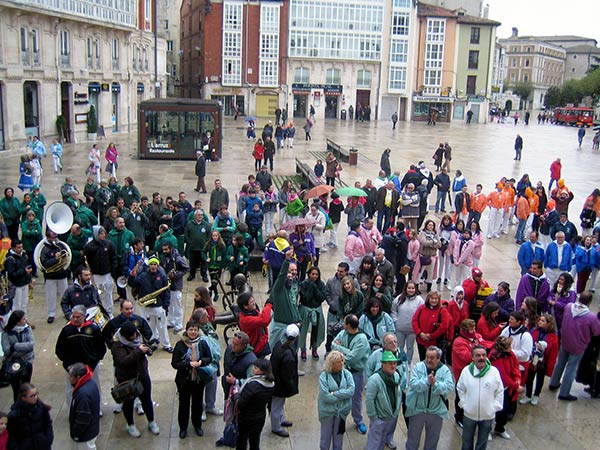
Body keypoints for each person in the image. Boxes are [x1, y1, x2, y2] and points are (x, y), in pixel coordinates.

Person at [111, 320, 160, 437]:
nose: (135, 337)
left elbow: (145, 345)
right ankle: (130, 425)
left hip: (142, 375)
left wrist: (148, 349)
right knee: (128, 403)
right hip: (127, 379)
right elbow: (122, 361)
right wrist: (138, 351)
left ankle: (151, 422)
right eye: (132, 336)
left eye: (135, 334)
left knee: (146, 400)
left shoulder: (138, 335)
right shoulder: (117, 344)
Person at [549, 291, 600, 400]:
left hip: (565, 340)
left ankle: (553, 382)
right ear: (589, 302)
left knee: (560, 363)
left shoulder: (568, 307)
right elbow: (597, 331)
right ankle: (564, 393)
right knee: (571, 368)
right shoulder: (591, 317)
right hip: (579, 345)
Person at [55, 304, 106, 408]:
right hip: (72, 366)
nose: (75, 319)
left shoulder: (93, 329)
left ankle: (96, 407)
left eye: (78, 317)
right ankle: (72, 409)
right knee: (70, 389)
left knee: (94, 386)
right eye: (73, 316)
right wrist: (67, 364)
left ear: (84, 316)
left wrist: (95, 361)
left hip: (90, 366)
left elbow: (101, 347)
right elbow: (60, 349)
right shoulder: (67, 330)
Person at [405, 346, 455, 450]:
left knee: (432, 440)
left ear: (438, 358)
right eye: (427, 357)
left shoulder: (445, 370)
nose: (428, 360)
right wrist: (427, 382)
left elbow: (449, 387)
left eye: (432, 358)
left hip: (436, 411)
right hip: (417, 410)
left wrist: (435, 384)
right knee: (412, 439)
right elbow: (414, 384)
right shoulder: (418, 367)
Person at [171, 320, 213, 438]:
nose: (193, 332)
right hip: (184, 380)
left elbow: (209, 358)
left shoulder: (202, 343)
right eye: (191, 329)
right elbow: (175, 363)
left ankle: (197, 425)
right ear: (187, 330)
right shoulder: (180, 345)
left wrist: (201, 362)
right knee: (183, 404)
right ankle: (183, 428)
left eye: (195, 330)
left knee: (197, 404)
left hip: (198, 380)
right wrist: (189, 364)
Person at [456, 346, 504, 450]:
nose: (481, 357)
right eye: (478, 355)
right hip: (469, 415)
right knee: (466, 442)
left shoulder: (494, 371)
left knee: (482, 443)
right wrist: (464, 405)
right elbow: (460, 388)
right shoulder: (466, 371)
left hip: (487, 416)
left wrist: (494, 408)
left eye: (483, 355)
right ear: (472, 358)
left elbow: (499, 391)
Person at [332, 314, 370, 434]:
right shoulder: (343, 333)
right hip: (342, 371)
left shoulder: (362, 339)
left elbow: (352, 358)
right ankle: (338, 419)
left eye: (344, 323)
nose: (343, 325)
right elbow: (333, 345)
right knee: (339, 396)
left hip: (356, 373)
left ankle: (358, 420)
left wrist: (340, 348)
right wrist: (340, 348)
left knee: (356, 398)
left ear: (348, 325)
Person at [128, 256, 173, 353]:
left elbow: (166, 292)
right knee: (149, 326)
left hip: (159, 305)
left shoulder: (162, 276)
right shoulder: (143, 276)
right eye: (151, 264)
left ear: (157, 265)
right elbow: (133, 284)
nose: (153, 266)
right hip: (147, 306)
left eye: (155, 264)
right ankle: (152, 342)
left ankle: (166, 344)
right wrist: (132, 276)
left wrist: (166, 305)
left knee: (162, 326)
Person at [365, 351, 403, 450]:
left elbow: (398, 395)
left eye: (394, 363)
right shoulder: (374, 380)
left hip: (391, 417)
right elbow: (369, 400)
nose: (393, 366)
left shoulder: (396, 376)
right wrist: (374, 417)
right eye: (390, 363)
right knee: (374, 443)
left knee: (382, 442)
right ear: (383, 364)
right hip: (379, 418)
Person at [317, 351, 355, 450]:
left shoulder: (347, 374)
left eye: (342, 361)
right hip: (327, 412)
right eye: (338, 362)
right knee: (325, 438)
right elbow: (325, 396)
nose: (341, 363)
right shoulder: (324, 376)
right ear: (332, 363)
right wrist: (343, 394)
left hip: (342, 412)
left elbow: (351, 391)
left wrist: (335, 393)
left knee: (339, 437)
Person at [488, 336, 523, 440]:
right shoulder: (495, 357)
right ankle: (487, 430)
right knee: (491, 410)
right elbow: (502, 376)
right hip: (494, 388)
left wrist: (517, 378)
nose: (511, 348)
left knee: (504, 409)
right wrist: (516, 386)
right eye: (509, 346)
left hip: (505, 388)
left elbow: (515, 366)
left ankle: (500, 428)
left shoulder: (510, 354)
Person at [236, 358, 275, 450]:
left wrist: (236, 394)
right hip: (260, 417)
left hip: (246, 418)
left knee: (242, 441)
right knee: (255, 440)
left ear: (262, 371)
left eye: (256, 368)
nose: (253, 369)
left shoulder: (252, 385)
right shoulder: (271, 383)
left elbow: (241, 403)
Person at [520, 314, 559, 406]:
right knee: (529, 378)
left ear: (549, 324)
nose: (540, 322)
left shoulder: (554, 338)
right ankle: (528, 395)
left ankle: (536, 395)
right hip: (532, 360)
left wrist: (549, 368)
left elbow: (553, 355)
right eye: (540, 320)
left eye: (543, 321)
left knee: (540, 379)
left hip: (542, 362)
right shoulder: (534, 331)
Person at [270, 323, 300, 438]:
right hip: (280, 385)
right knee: (276, 405)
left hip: (276, 381)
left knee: (280, 404)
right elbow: (287, 375)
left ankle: (281, 419)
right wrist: (291, 386)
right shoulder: (288, 355)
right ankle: (276, 427)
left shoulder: (279, 344)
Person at [7, 383, 53, 450]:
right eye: (32, 396)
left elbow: (48, 423)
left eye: (36, 394)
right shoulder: (15, 415)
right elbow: (12, 436)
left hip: (42, 445)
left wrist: (48, 439)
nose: (35, 397)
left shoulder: (42, 407)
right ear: (23, 398)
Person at [83, 226, 117, 317]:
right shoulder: (89, 246)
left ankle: (109, 311)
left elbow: (113, 257)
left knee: (108, 293)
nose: (103, 235)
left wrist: (113, 270)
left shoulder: (109, 244)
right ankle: (99, 311)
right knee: (98, 294)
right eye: (101, 234)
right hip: (96, 274)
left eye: (104, 233)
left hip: (107, 273)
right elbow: (86, 259)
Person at [1, 310, 34, 402]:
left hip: (27, 362)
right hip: (13, 365)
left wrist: (15, 346)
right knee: (16, 389)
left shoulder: (27, 329)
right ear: (17, 321)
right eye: (23, 319)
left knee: (26, 387)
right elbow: (7, 351)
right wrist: (23, 349)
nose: (25, 320)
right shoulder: (6, 333)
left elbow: (31, 345)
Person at [68, 362, 100, 450]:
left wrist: (75, 433)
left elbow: (83, 417)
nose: (69, 378)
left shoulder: (82, 394)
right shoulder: (91, 382)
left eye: (71, 376)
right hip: (91, 429)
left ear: (78, 377)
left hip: (85, 435)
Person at [412, 291, 451, 361]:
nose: (434, 300)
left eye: (436, 299)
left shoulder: (443, 311)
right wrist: (420, 333)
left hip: (435, 342)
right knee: (423, 360)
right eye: (432, 298)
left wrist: (431, 336)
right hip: (421, 341)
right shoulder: (421, 308)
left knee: (434, 362)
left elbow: (444, 326)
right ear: (428, 299)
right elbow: (414, 321)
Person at [299, 266, 328, 360]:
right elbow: (305, 298)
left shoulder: (321, 284)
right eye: (313, 274)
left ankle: (314, 348)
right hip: (305, 309)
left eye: (316, 274)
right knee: (303, 330)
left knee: (317, 331)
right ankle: (303, 349)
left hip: (317, 310)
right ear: (309, 274)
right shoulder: (303, 284)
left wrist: (315, 288)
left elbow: (322, 297)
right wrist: (311, 287)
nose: (314, 276)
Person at [391, 281, 424, 363]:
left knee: (410, 347)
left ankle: (408, 362)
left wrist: (418, 325)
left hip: (412, 331)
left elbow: (422, 313)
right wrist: (395, 321)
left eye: (413, 288)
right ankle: (398, 362)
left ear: (415, 289)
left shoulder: (419, 300)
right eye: (409, 288)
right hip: (400, 329)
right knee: (399, 347)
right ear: (405, 289)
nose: (411, 290)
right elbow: (393, 310)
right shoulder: (399, 299)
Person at [160, 242, 189, 333]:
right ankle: (171, 321)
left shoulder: (177, 258)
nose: (164, 251)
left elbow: (186, 268)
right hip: (168, 286)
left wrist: (175, 275)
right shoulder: (164, 258)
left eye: (166, 249)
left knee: (177, 305)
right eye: (163, 249)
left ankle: (179, 324)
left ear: (171, 249)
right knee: (169, 304)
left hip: (176, 286)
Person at [221, 331, 257, 402]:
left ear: (244, 346)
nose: (232, 346)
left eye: (236, 344)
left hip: (240, 396)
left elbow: (252, 382)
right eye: (233, 342)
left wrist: (235, 381)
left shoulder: (251, 362)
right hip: (227, 390)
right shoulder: (229, 349)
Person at [237, 292, 272, 357]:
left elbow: (264, 321)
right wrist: (268, 306)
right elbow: (264, 321)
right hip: (256, 348)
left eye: (253, 301)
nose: (254, 303)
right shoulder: (245, 319)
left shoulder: (252, 311)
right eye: (251, 302)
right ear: (245, 306)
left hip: (261, 343)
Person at [4, 239, 33, 313]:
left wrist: (29, 280)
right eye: (18, 247)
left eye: (21, 247)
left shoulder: (24, 255)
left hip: (24, 283)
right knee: (17, 305)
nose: (21, 249)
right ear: (13, 248)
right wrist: (24, 271)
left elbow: (27, 266)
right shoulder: (10, 259)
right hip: (16, 286)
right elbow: (11, 275)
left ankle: (23, 319)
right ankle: (16, 322)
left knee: (24, 304)